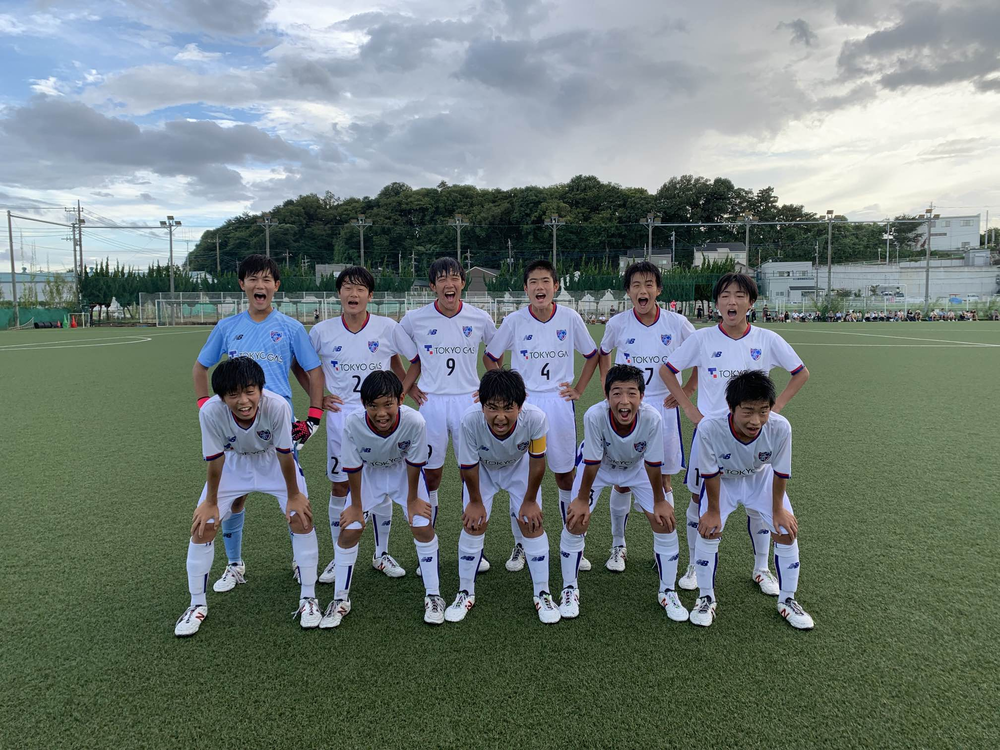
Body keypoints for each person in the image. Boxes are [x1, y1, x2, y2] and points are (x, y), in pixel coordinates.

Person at [659, 272, 809, 597]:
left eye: (740, 295)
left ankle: (761, 568)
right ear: (716, 302)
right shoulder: (702, 339)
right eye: (725, 295)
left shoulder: (767, 339)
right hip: (711, 435)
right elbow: (667, 370)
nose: (732, 301)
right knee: (698, 500)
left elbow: (800, 373)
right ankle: (694, 565)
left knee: (759, 505)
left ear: (751, 302)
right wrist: (689, 409)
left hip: (754, 435)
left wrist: (775, 408)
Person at [192, 255, 323, 594]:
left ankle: (300, 561)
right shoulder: (227, 327)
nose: (259, 285)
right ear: (242, 284)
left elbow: (313, 371)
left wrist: (314, 416)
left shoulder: (291, 328)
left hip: (277, 423)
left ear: (276, 286)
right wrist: (206, 405)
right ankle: (234, 564)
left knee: (293, 499)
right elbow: (200, 367)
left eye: (266, 279)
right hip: (235, 423)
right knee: (235, 499)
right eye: (252, 279)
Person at [175, 357, 320, 636]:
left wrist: (293, 495)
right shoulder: (210, 412)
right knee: (203, 526)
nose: (243, 401)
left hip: (272, 461)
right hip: (234, 461)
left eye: (250, 391)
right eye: (233, 394)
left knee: (301, 518)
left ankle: (308, 598)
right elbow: (215, 459)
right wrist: (211, 502)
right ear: (221, 396)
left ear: (261, 389)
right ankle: (197, 604)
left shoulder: (278, 406)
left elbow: (285, 454)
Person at [485, 260, 600, 572]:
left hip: (559, 403)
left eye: (545, 281)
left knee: (565, 474)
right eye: (533, 282)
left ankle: (572, 541)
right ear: (525, 289)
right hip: (524, 404)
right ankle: (521, 544)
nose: (540, 287)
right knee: (522, 476)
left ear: (556, 286)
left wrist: (578, 389)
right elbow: (491, 356)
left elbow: (592, 355)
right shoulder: (514, 320)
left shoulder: (570, 318)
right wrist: (508, 391)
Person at [308, 266, 419, 584]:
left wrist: (400, 393)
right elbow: (303, 365)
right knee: (340, 486)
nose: (353, 294)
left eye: (360, 289)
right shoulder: (322, 331)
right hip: (341, 417)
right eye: (347, 287)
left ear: (370, 295)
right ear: (338, 293)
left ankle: (381, 554)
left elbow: (415, 361)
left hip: (381, 417)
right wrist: (318, 398)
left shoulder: (387, 327)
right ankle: (338, 555)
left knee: (382, 485)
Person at [559, 365, 686, 621]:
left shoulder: (652, 418)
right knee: (576, 521)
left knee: (664, 523)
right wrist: (582, 499)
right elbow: (592, 462)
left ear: (642, 396)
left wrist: (660, 500)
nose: (624, 401)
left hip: (636, 467)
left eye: (631, 393)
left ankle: (668, 591)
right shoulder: (595, 416)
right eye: (616, 393)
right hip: (599, 468)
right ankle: (569, 588)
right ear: (607, 397)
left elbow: (653, 463)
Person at [689, 371, 814, 630]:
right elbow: (710, 474)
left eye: (763, 411)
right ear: (731, 407)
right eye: (747, 411)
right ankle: (705, 597)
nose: (755, 420)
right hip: (723, 480)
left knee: (785, 530)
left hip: (760, 477)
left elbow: (780, 472)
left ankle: (787, 599)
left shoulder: (780, 427)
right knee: (709, 530)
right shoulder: (709, 427)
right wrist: (713, 511)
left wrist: (778, 510)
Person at [320, 371, 444, 628]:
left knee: (422, 526)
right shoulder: (353, 422)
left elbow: (415, 462)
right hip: (369, 474)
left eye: (388, 404)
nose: (381, 413)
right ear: (363, 404)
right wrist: (356, 506)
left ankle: (434, 596)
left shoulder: (415, 421)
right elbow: (353, 467)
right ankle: (340, 599)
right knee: (350, 530)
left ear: (400, 400)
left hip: (402, 473)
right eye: (373, 406)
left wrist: (412, 499)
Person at [597, 261, 696, 573]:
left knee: (663, 479)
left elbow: (700, 353)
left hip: (664, 407)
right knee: (622, 480)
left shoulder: (677, 323)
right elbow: (603, 353)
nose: (643, 290)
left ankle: (662, 547)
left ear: (659, 290)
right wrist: (609, 390)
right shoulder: (618, 323)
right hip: (628, 407)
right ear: (628, 291)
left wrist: (688, 389)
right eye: (636, 285)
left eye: (649, 284)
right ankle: (618, 545)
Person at [400, 257, 496, 574]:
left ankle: (475, 549)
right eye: (442, 279)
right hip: (432, 403)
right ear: (433, 286)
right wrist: (408, 388)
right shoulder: (415, 319)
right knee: (431, 476)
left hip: (469, 402)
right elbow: (393, 349)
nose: (449, 284)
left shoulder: (480, 317)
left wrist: (491, 388)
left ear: (462, 283)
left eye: (454, 277)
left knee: (472, 473)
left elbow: (494, 354)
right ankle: (429, 549)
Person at [445, 369, 560, 624]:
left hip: (519, 469)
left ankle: (542, 593)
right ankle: (465, 592)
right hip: (483, 471)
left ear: (521, 404)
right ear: (481, 404)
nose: (500, 417)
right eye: (492, 407)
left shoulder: (536, 418)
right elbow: (468, 466)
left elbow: (537, 461)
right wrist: (475, 502)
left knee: (531, 523)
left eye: (508, 408)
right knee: (474, 524)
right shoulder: (469, 420)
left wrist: (530, 501)